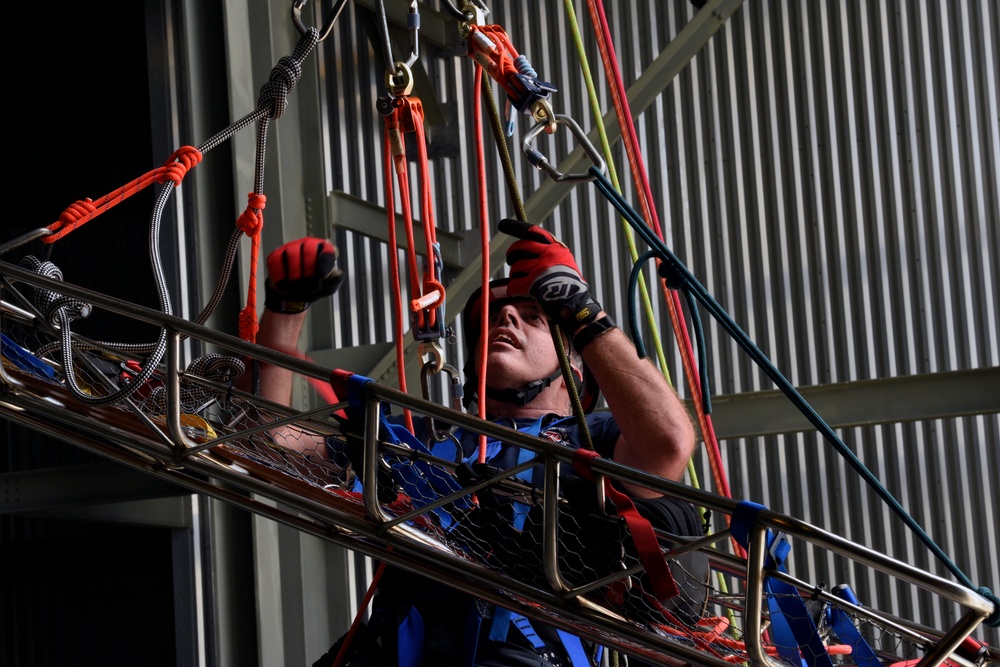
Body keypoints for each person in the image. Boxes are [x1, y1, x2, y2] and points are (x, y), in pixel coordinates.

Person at [248, 221, 702, 667]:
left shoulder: (594, 440)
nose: (504, 317)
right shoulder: (425, 438)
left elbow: (669, 443)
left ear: (576, 373)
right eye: (497, 317)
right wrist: (285, 314)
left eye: (534, 318)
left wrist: (576, 307)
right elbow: (272, 444)